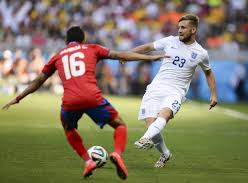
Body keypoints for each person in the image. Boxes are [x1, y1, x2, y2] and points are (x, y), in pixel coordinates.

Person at [2, 26, 166, 179]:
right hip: (92, 97)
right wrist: (150, 57)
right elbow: (121, 55)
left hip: (70, 101)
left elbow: (38, 81)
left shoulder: (57, 56)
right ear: (83, 39)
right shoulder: (92, 48)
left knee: (69, 128)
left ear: (66, 40)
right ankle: (116, 153)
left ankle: (88, 162)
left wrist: (18, 98)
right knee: (119, 125)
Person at [128, 14, 218, 168]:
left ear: (193, 29)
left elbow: (208, 73)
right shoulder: (170, 41)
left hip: (176, 92)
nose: (180, 30)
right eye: (179, 27)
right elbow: (148, 47)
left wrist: (213, 94)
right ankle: (165, 154)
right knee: (151, 125)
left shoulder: (201, 53)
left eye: (183, 27)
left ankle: (144, 139)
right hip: (155, 88)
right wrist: (128, 54)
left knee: (165, 114)